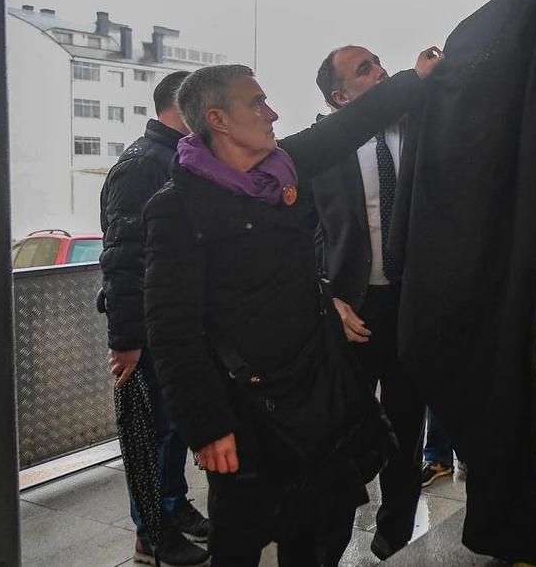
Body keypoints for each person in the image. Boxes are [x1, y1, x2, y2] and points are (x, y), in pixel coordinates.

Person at [143, 51, 439, 566]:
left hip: (311, 389)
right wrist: (207, 426)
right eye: (257, 104)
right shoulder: (177, 208)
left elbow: (354, 123)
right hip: (246, 407)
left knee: (310, 527)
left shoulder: (284, 169)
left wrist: (416, 79)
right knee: (241, 537)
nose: (272, 114)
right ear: (218, 120)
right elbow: (173, 330)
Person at [311, 45, 428, 559]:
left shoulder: (418, 130)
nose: (380, 72)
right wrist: (328, 298)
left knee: (407, 422)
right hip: (350, 312)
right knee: (345, 431)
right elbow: (306, 235)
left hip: (411, 305)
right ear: (341, 96)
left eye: (379, 63)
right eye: (365, 69)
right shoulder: (320, 149)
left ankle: (396, 530)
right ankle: (328, 535)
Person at [98, 70, 210, 567]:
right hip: (146, 328)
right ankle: (151, 532)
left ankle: (173, 505)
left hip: (181, 323)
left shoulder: (181, 158)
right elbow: (123, 258)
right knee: (151, 431)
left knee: (176, 427)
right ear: (181, 107)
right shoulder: (142, 165)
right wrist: (125, 340)